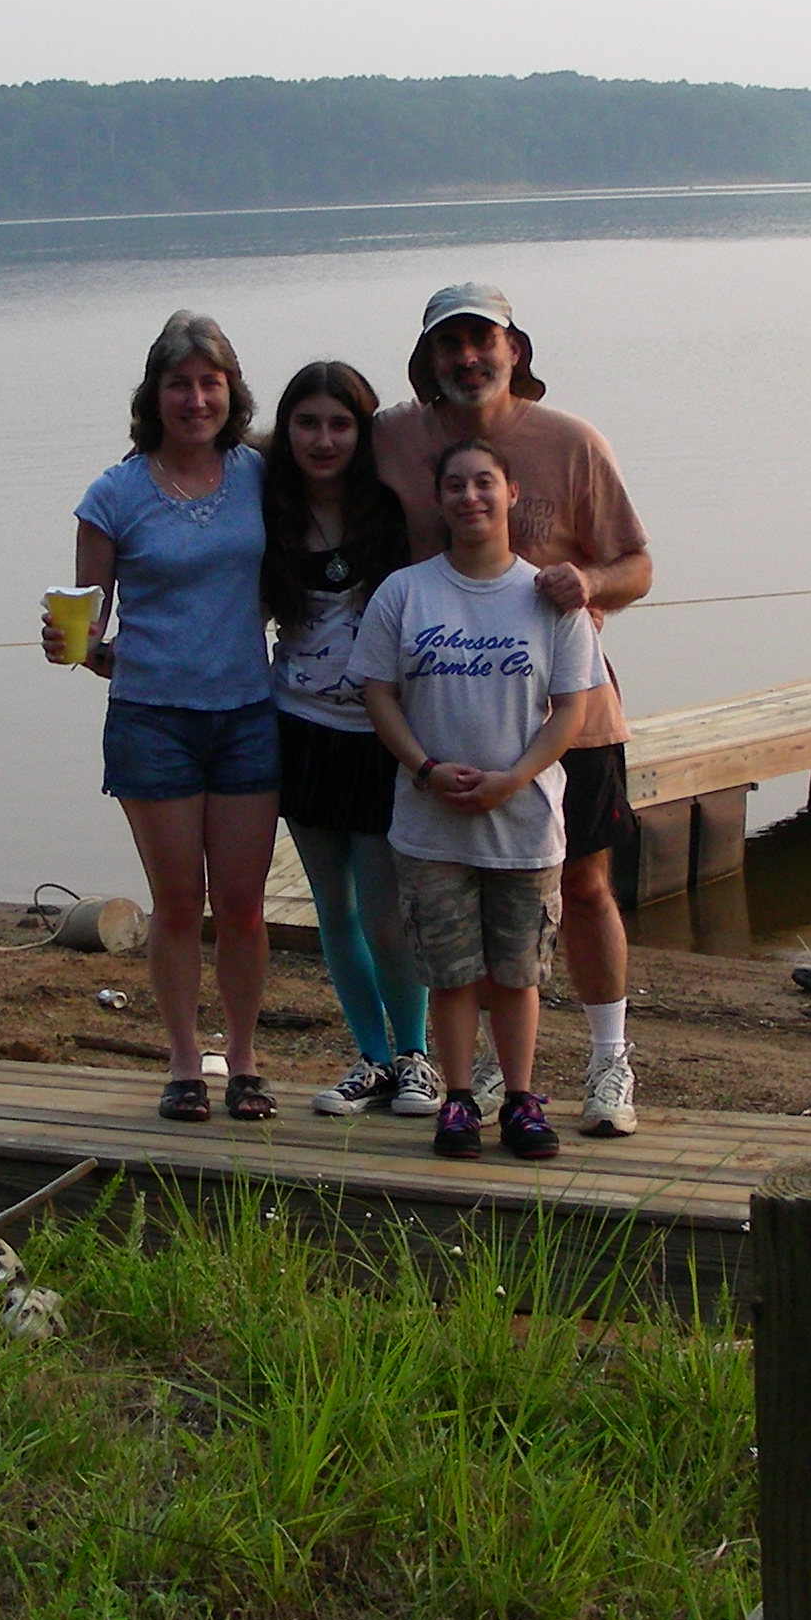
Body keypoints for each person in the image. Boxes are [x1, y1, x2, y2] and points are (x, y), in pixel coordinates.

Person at [371, 282, 653, 1136]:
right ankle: (496, 1070)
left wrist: (591, 582)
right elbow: (303, 446)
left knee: (586, 882)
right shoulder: (394, 436)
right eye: (448, 345)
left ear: (514, 350)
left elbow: (637, 563)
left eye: (481, 340)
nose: (467, 358)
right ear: (427, 361)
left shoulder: (571, 442)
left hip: (573, 713)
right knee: (479, 896)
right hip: (450, 719)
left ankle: (609, 1060)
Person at [43, 311, 279, 1125]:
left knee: (245, 907)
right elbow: (90, 629)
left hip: (250, 712)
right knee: (178, 904)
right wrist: (69, 646)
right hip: (154, 722)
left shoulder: (259, 475)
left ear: (231, 391)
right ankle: (184, 1062)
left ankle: (244, 1061)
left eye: (210, 382)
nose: (196, 398)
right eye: (179, 383)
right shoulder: (113, 495)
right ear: (155, 393)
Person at [353, 438, 602, 1160]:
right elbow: (378, 692)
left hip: (523, 826)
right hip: (431, 826)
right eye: (455, 486)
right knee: (452, 971)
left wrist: (515, 777)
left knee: (518, 973)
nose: (470, 498)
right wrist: (426, 768)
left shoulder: (550, 598)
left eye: (484, 484)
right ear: (439, 499)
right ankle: (459, 1100)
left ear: (511, 493)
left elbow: (569, 710)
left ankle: (521, 1099)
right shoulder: (405, 592)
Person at [259, 360, 437, 1118]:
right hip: (298, 730)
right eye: (308, 423)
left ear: (364, 432)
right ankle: (370, 1056)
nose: (324, 439)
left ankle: (417, 1056)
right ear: (286, 430)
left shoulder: (393, 513)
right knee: (332, 907)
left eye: (341, 424)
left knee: (386, 913)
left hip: (380, 735)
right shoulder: (268, 510)